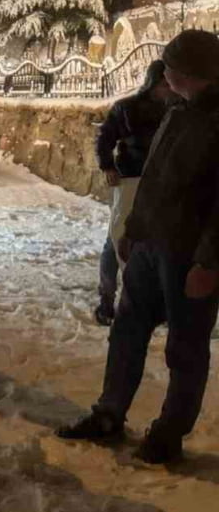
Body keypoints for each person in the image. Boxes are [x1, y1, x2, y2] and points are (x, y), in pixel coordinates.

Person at [57, 29, 219, 464]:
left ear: (196, 74)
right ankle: (110, 413)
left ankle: (169, 433)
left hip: (188, 255)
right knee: (126, 330)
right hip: (149, 243)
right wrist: (132, 228)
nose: (164, 73)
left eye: (172, 67)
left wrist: (209, 262)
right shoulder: (177, 111)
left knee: (185, 346)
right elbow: (151, 178)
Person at [92, 60, 174, 325]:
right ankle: (107, 298)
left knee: (154, 241)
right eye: (163, 85)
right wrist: (107, 166)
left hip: (160, 183)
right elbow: (105, 138)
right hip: (130, 179)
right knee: (117, 237)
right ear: (152, 83)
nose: (167, 89)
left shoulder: (176, 110)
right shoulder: (127, 108)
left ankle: (147, 299)